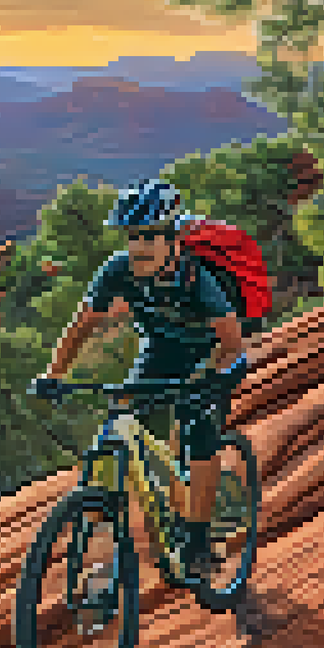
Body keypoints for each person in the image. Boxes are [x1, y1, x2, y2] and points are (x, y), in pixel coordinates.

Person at [40, 179, 250, 584]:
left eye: (151, 236)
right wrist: (54, 375)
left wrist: (211, 379)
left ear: (172, 240)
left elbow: (233, 343)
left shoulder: (197, 278)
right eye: (134, 236)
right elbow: (82, 325)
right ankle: (117, 513)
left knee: (198, 431)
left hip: (210, 351)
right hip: (160, 351)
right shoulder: (117, 270)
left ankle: (200, 540)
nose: (140, 246)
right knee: (123, 420)